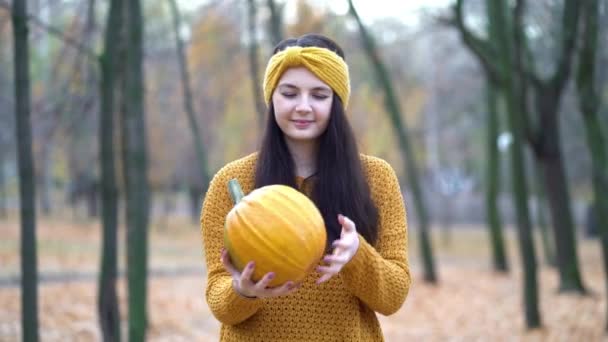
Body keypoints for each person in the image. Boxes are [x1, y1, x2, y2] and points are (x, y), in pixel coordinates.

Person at [200, 33, 411, 341]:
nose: (303, 106)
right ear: (271, 97)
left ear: (337, 101)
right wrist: (242, 291)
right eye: (289, 93)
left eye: (319, 95)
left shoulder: (376, 178)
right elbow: (220, 303)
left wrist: (357, 256)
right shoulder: (231, 183)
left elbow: (393, 297)